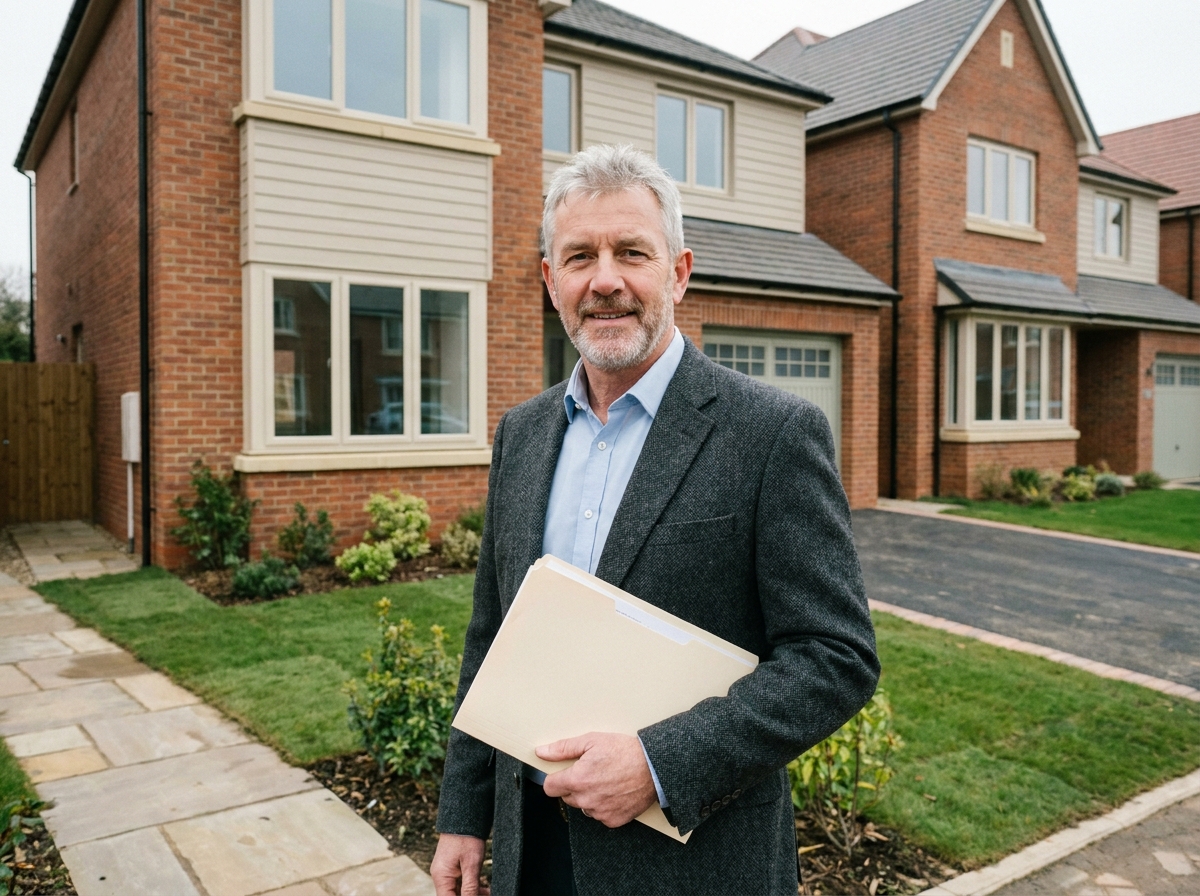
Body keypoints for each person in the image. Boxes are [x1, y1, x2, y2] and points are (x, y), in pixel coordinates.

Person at [431, 144, 879, 896]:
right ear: (551, 281)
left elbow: (835, 658)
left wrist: (661, 764)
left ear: (678, 270)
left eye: (631, 252)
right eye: (579, 257)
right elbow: (491, 637)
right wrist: (464, 814)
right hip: (533, 855)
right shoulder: (523, 433)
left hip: (692, 867)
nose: (605, 280)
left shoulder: (771, 433)